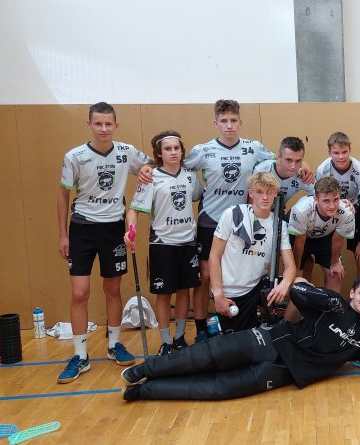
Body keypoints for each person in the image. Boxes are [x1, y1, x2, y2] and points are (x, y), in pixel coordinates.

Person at [138, 99, 311, 342]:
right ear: (216, 123)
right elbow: (173, 161)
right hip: (211, 219)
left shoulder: (253, 148)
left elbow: (283, 160)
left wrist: (304, 165)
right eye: (224, 121)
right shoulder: (203, 150)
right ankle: (201, 329)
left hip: (243, 220)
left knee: (249, 269)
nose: (229, 125)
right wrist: (148, 166)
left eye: (233, 120)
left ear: (240, 122)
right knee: (205, 275)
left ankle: (247, 318)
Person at [121, 275, 360, 401]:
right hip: (272, 340)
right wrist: (326, 299)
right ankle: (143, 370)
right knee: (208, 355)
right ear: (352, 293)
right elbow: (296, 292)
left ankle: (143, 391)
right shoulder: (334, 302)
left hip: (287, 370)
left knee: (218, 389)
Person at [56, 102, 151, 383]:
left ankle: (114, 345)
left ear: (116, 125)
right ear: (89, 124)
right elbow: (62, 195)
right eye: (98, 123)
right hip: (82, 229)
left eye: (108, 124)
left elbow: (151, 165)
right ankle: (80, 355)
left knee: (112, 288)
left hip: (113, 229)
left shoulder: (126, 152)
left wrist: (146, 169)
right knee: (79, 292)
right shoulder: (75, 156)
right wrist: (62, 234)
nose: (103, 129)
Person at [124, 130, 202, 355]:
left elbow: (198, 195)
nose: (173, 152)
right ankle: (166, 341)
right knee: (164, 294)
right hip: (162, 244)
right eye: (168, 149)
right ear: (159, 153)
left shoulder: (190, 175)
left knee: (184, 291)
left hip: (188, 242)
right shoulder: (151, 178)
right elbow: (133, 210)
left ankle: (179, 337)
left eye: (177, 148)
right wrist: (130, 230)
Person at [209, 172, 297, 332]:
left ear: (275, 194)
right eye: (260, 192)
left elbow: (290, 266)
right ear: (251, 193)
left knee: (301, 285)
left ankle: (283, 332)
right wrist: (218, 294)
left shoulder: (279, 225)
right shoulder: (233, 214)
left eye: (269, 192)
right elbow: (214, 257)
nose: (265, 197)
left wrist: (284, 285)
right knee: (237, 342)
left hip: (257, 288)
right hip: (231, 292)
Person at [315, 132, 360, 278]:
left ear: (350, 150)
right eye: (336, 153)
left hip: (354, 210)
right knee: (328, 262)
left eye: (344, 152)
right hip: (329, 210)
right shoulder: (323, 169)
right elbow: (318, 200)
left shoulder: (359, 171)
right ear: (329, 152)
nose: (341, 157)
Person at [288, 177, 356, 292]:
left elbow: (338, 239)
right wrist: (296, 269)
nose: (332, 206)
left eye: (336, 199)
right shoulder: (301, 210)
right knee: (298, 279)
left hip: (325, 236)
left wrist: (335, 263)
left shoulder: (346, 212)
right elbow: (299, 243)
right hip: (300, 236)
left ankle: (330, 303)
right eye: (326, 201)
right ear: (316, 199)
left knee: (336, 273)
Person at [253, 136, 314, 202]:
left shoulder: (303, 174)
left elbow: (318, 195)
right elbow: (251, 201)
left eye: (298, 161)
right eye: (289, 160)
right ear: (279, 157)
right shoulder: (261, 171)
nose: (293, 166)